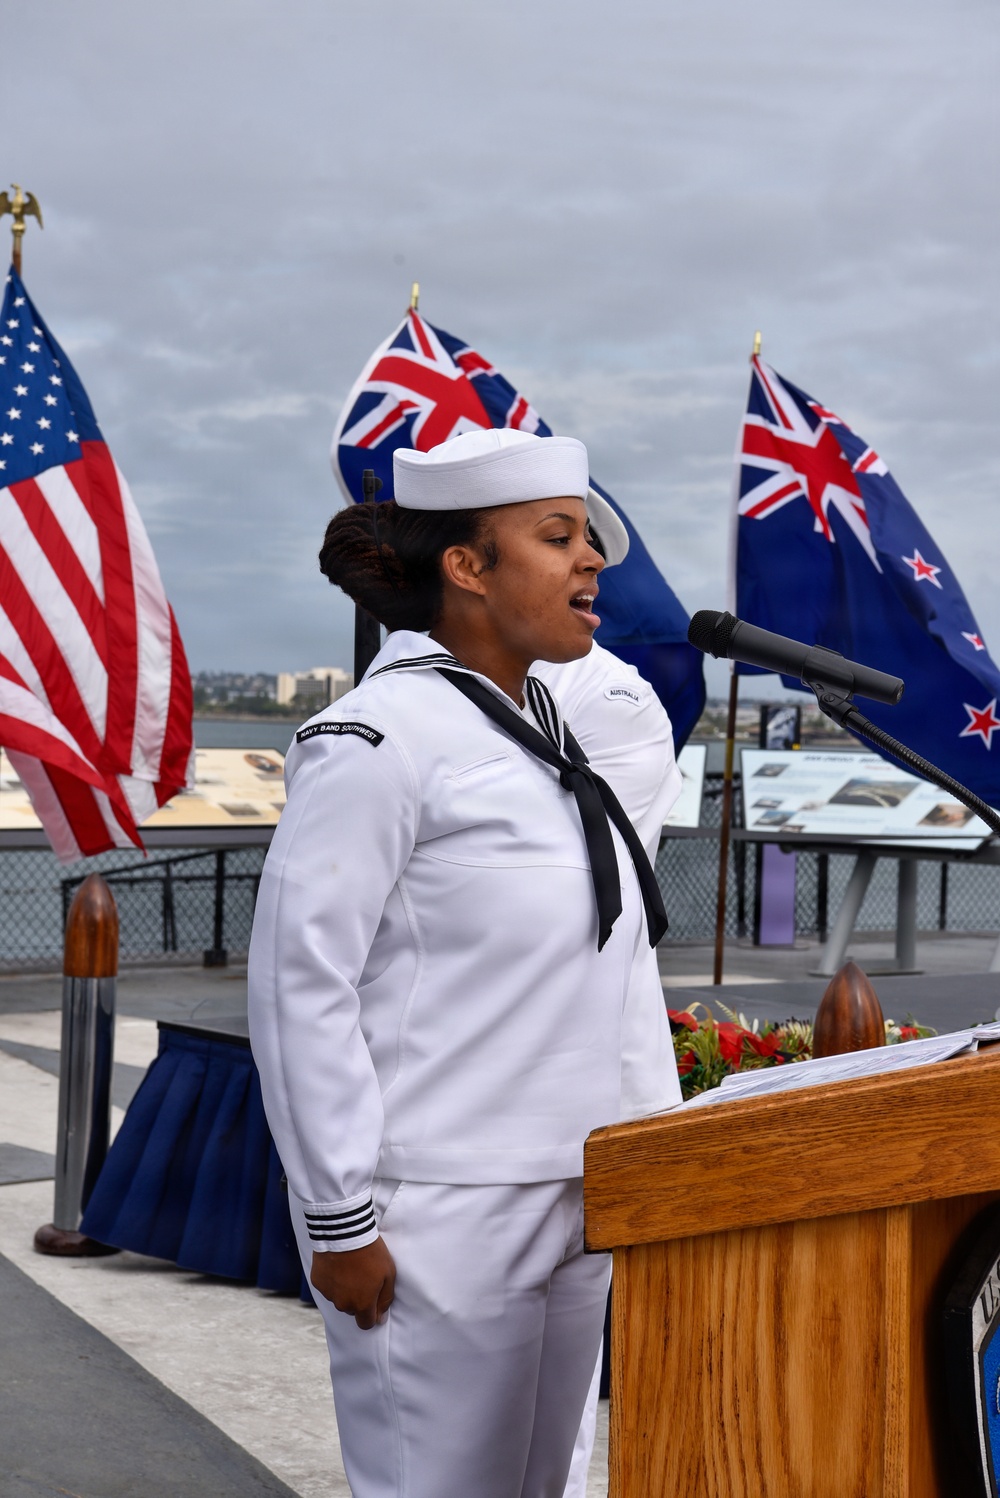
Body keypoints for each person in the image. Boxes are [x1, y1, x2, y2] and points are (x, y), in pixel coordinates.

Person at [248, 428, 679, 1498]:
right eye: (557, 537)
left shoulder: (544, 731)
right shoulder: (376, 740)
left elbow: (604, 969)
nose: (593, 560)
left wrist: (646, 1152)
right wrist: (339, 1215)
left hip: (575, 1182)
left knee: (547, 1485)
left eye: (584, 538)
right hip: (440, 1205)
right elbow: (301, 984)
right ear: (467, 567)